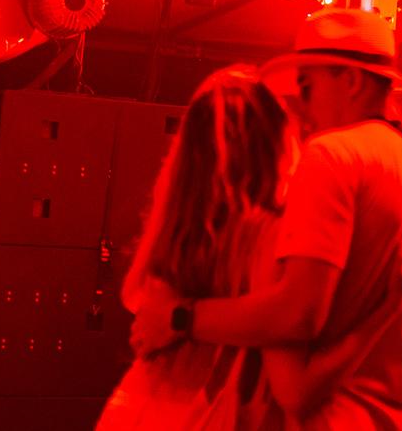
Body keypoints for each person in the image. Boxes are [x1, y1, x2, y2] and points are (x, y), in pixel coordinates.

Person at [131, 8, 402, 431]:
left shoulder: (334, 156)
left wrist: (181, 317)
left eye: (307, 86)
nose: (303, 107)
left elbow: (297, 315)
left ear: (351, 81)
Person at [100, 64, 383, 429]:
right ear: (276, 145)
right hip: (215, 416)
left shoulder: (174, 232)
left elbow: (134, 299)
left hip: (139, 412)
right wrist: (371, 326)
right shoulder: (272, 237)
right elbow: (293, 390)